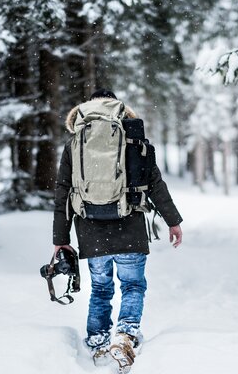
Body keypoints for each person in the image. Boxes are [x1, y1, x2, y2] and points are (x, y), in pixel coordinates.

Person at [52, 89, 183, 364]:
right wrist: (173, 221)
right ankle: (126, 334)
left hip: (91, 228)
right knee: (133, 285)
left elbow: (63, 191)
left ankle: (98, 342)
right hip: (130, 226)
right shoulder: (133, 138)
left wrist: (60, 237)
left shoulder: (75, 142)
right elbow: (155, 183)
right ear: (118, 109)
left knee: (101, 288)